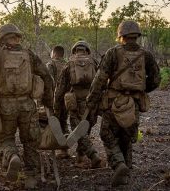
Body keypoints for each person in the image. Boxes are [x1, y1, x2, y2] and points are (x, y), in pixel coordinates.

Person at [0, 24, 54, 181]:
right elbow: (46, 76)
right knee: (30, 141)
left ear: (1, 38)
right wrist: (48, 102)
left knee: (5, 138)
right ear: (17, 36)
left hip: (4, 105)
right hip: (28, 105)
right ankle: (31, 177)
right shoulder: (28, 54)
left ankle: (12, 157)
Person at [86, 20, 160, 187]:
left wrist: (91, 101)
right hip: (133, 104)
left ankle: (118, 164)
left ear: (121, 36)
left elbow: (99, 80)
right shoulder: (146, 55)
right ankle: (125, 175)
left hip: (113, 102)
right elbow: (156, 80)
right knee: (126, 139)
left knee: (107, 134)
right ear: (137, 36)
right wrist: (139, 91)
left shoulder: (113, 53)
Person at [54, 41, 102, 168]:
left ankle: (92, 155)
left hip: (75, 102)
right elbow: (101, 83)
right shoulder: (94, 63)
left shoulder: (69, 64)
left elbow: (60, 88)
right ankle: (81, 156)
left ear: (74, 51)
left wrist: (57, 107)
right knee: (86, 128)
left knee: (79, 131)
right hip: (91, 102)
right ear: (87, 50)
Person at [46, 45, 69, 158]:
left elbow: (49, 82)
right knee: (64, 122)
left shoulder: (51, 64)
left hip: (56, 98)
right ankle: (64, 149)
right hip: (68, 98)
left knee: (55, 122)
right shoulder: (68, 64)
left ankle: (57, 146)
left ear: (54, 53)